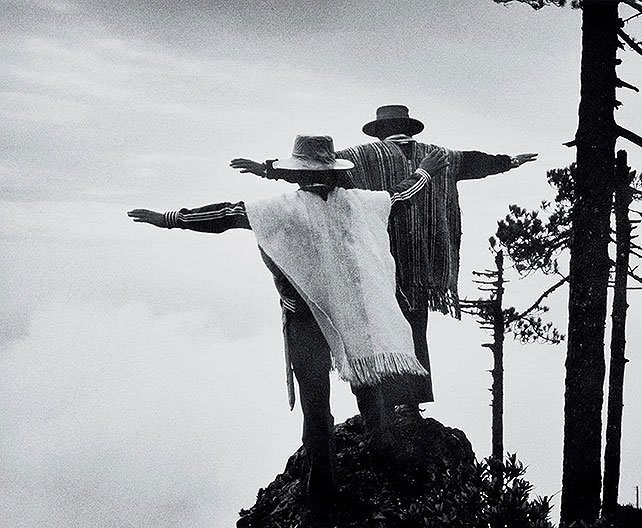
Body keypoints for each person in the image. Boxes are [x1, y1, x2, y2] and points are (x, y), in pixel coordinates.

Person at [128, 134, 448, 502]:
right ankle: (383, 457)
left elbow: (228, 215)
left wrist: (171, 219)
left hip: (305, 320)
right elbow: (399, 197)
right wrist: (424, 171)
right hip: (355, 315)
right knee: (370, 389)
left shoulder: (280, 210)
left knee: (316, 411)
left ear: (296, 175)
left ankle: (324, 497)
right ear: (333, 173)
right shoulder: (360, 204)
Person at [231, 105, 537, 416]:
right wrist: (509, 162)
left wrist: (268, 169)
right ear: (411, 128)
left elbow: (316, 169)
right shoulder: (438, 155)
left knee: (383, 327)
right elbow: (474, 162)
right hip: (424, 261)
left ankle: (388, 404)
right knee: (415, 327)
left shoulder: (365, 155)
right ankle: (412, 402)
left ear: (378, 131)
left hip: (378, 256)